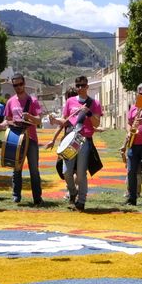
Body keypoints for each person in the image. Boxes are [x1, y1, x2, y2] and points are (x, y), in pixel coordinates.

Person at [50, 76, 102, 211]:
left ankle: (82, 201)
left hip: (84, 140)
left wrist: (89, 113)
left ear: (87, 87)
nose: (80, 88)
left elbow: (97, 123)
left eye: (82, 86)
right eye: (78, 86)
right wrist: (55, 121)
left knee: (81, 173)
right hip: (70, 138)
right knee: (66, 171)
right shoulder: (70, 101)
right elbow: (65, 120)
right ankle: (73, 192)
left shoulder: (94, 103)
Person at [0, 73, 45, 205]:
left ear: (24, 84)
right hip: (16, 138)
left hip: (31, 139)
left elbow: (39, 120)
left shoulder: (33, 101)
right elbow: (7, 120)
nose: (18, 87)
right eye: (15, 85)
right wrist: (0, 126)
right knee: (16, 168)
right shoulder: (10, 101)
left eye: (20, 84)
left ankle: (37, 198)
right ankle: (16, 196)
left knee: (34, 169)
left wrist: (29, 116)